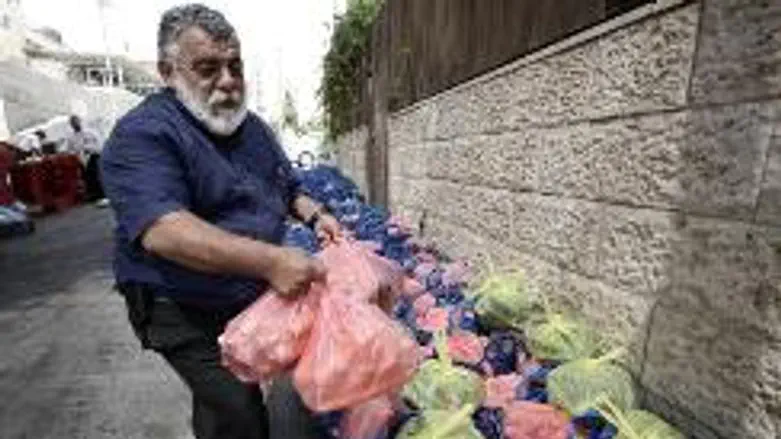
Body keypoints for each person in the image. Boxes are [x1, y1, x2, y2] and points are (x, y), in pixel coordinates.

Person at [99, 4, 342, 439]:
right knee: (238, 413)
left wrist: (316, 214)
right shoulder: (143, 135)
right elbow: (164, 230)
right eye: (208, 68)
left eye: (235, 66)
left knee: (250, 399)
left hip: (244, 294)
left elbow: (286, 188)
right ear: (168, 72)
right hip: (181, 305)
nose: (228, 81)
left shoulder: (252, 130)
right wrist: (271, 262)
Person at [64, 115, 105, 204]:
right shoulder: (71, 137)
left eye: (76, 122)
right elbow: (69, 150)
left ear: (80, 121)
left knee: (94, 173)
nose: (75, 124)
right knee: (86, 176)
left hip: (93, 155)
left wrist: (90, 149)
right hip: (80, 158)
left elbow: (100, 144)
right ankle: (93, 194)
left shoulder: (90, 132)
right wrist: (74, 154)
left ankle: (101, 194)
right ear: (71, 125)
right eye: (73, 123)